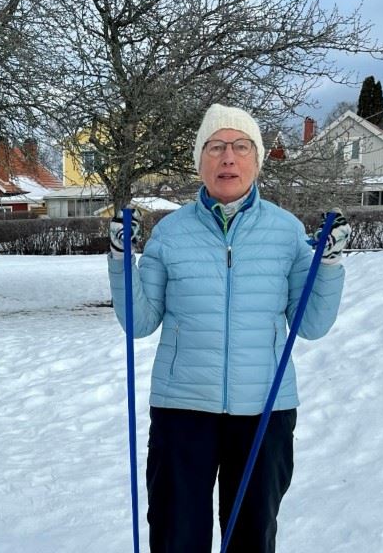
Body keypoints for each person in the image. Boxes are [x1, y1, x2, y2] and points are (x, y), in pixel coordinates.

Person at [108, 103, 350, 553]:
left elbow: (310, 324)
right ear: (200, 160)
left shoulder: (286, 232)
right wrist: (122, 261)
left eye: (240, 147)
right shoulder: (171, 234)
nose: (228, 158)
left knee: (251, 536)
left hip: (265, 409)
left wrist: (329, 263)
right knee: (176, 534)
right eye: (215, 147)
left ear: (257, 160)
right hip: (183, 409)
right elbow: (140, 323)